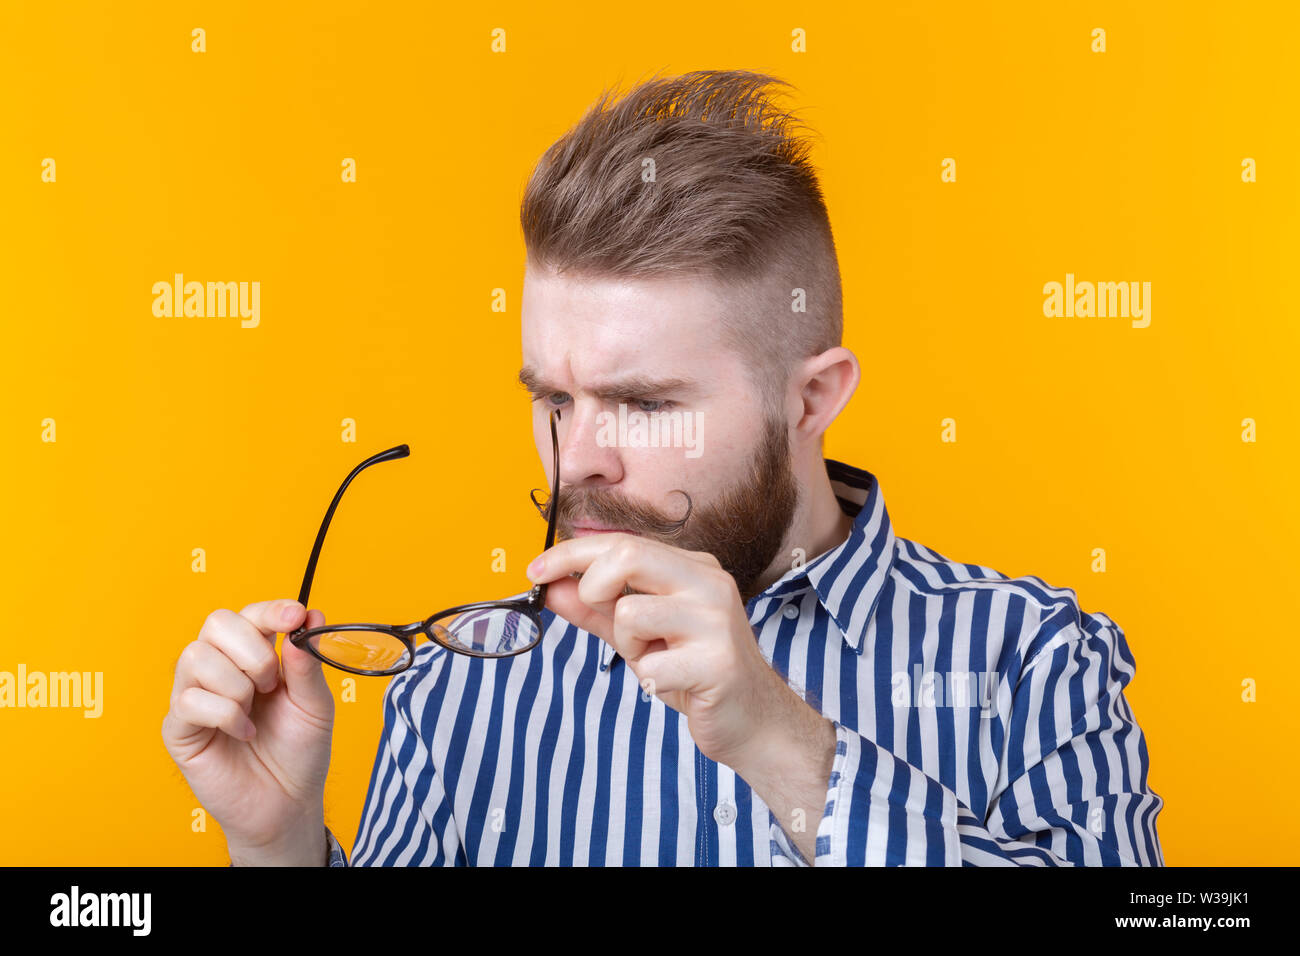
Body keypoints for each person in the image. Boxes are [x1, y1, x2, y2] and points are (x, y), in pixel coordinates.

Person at [161, 70, 1164, 866]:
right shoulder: (455, 688)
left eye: (643, 403)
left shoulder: (1034, 660)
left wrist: (780, 739)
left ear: (811, 397)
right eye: (552, 398)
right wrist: (277, 845)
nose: (578, 460)